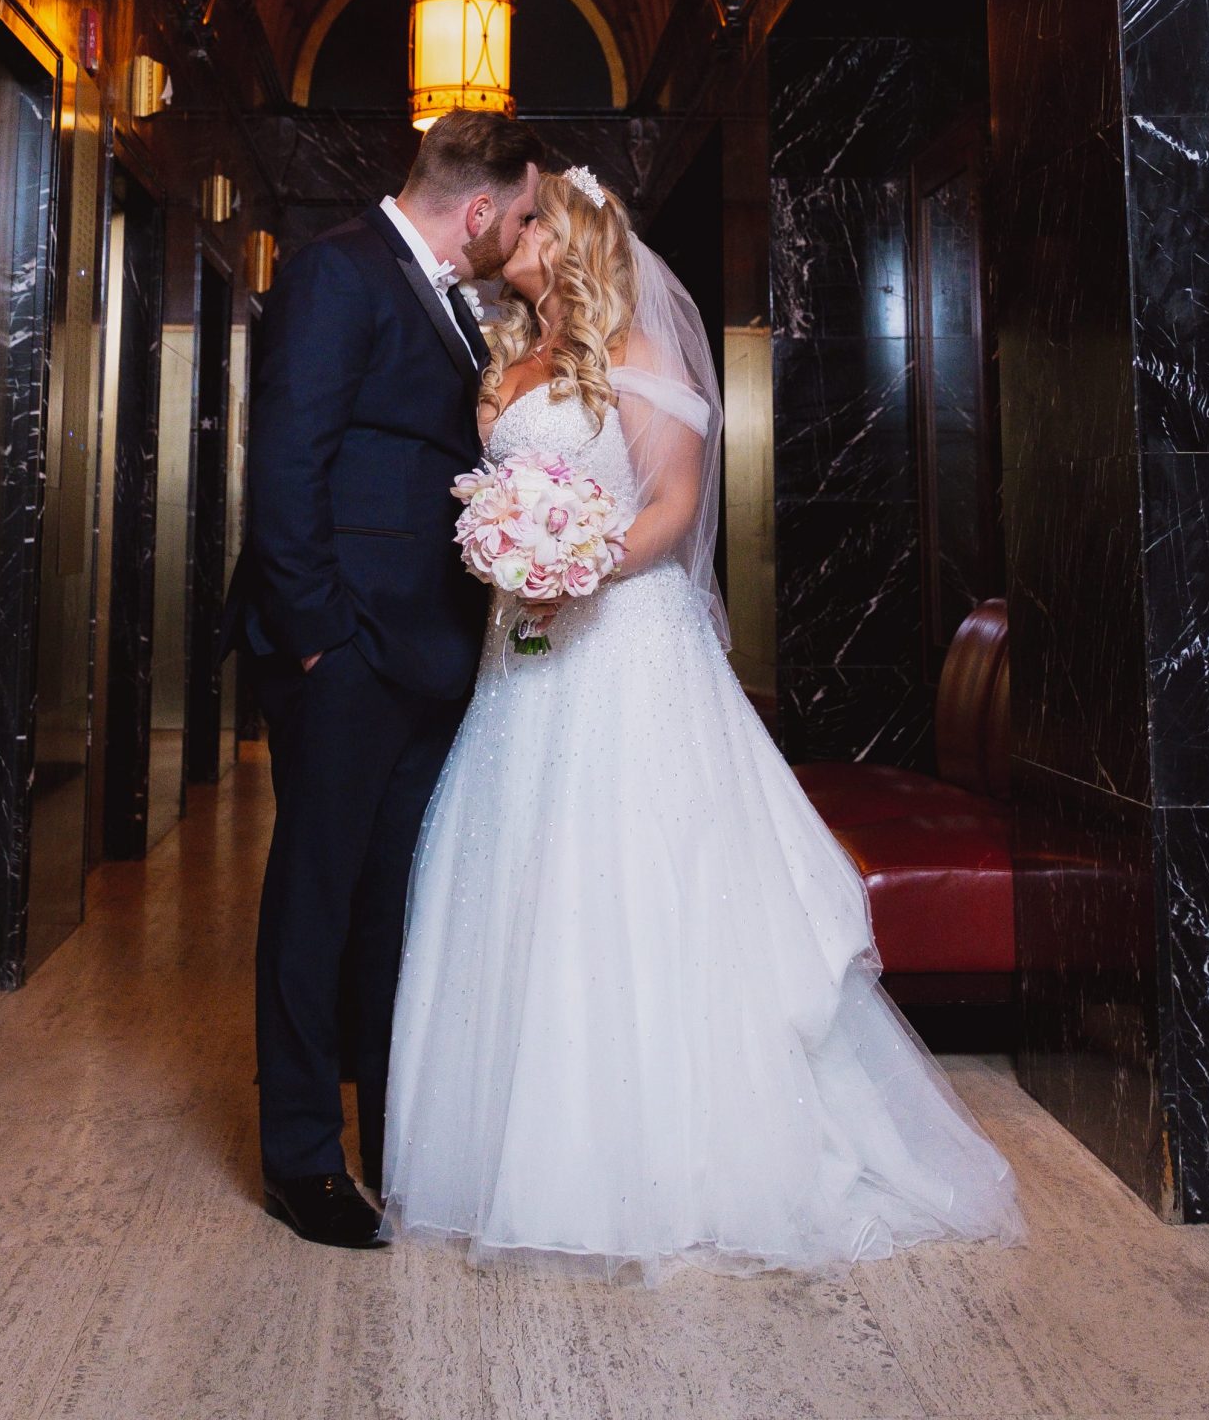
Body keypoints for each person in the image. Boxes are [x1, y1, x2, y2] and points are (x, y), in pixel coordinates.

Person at [383, 167, 1024, 1279]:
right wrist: (514, 556)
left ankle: (674, 1155)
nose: (512, 232)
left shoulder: (639, 352)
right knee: (526, 877)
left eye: (532, 220)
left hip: (625, 638)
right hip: (522, 657)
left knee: (640, 877)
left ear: (573, 236)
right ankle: (521, 1152)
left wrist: (577, 565)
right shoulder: (506, 362)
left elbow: (674, 506)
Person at [221, 111, 541, 1251]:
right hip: (349, 651)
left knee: (388, 900)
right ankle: (302, 1156)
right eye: (522, 215)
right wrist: (318, 641)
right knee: (316, 897)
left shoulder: (455, 303)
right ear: (478, 210)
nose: (523, 234)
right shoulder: (336, 271)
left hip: (427, 654)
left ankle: (385, 1130)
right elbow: (287, 463)